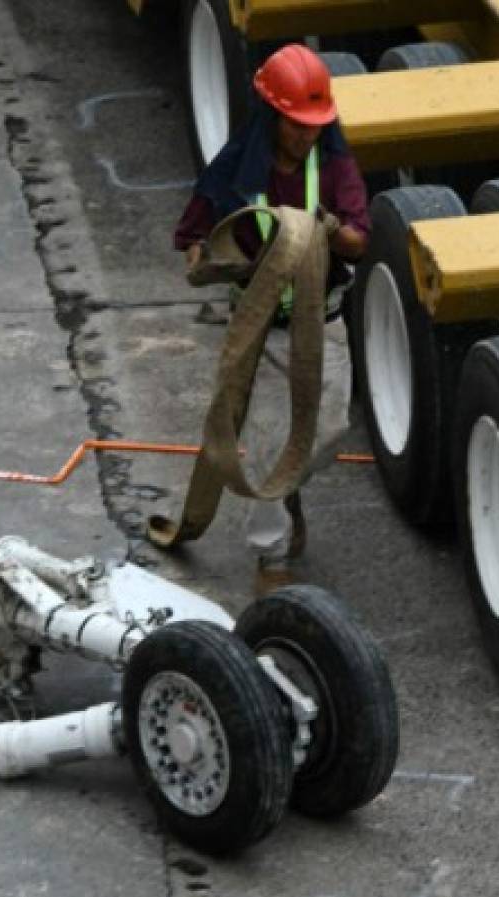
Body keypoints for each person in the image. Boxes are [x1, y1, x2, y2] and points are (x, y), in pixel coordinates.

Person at [173, 43, 370, 596]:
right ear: (273, 115)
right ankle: (271, 557)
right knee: (262, 444)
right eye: (295, 124)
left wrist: (325, 228)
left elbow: (358, 240)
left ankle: (289, 486)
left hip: (321, 323)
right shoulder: (236, 168)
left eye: (314, 125)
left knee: (327, 430)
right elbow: (192, 241)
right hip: (260, 330)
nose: (306, 134)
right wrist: (213, 261)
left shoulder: (334, 166)